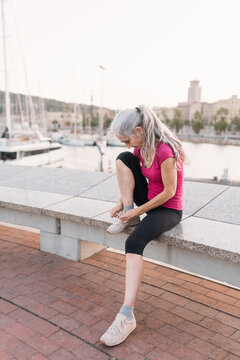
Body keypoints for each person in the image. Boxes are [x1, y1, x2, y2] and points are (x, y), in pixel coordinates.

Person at [100, 105, 187, 347]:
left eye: (127, 139)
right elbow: (132, 176)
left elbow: (169, 192)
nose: (128, 145)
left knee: (133, 241)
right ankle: (129, 214)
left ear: (139, 131)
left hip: (168, 209)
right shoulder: (141, 148)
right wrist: (123, 204)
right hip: (146, 202)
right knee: (123, 160)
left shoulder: (165, 150)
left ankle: (127, 316)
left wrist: (141, 209)